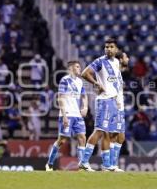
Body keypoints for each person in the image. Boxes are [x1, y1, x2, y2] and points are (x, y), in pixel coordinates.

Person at [80, 38, 120, 171]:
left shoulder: (116, 62)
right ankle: (84, 161)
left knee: (108, 133)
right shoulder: (100, 61)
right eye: (106, 47)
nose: (108, 49)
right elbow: (85, 73)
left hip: (113, 101)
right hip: (104, 100)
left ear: (116, 49)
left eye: (111, 47)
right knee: (99, 130)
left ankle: (107, 164)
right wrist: (96, 83)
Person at [45, 61, 88, 171]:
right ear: (71, 68)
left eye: (79, 66)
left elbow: (84, 96)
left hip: (77, 115)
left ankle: (82, 165)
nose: (80, 68)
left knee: (82, 137)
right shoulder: (65, 80)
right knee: (62, 140)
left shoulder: (80, 82)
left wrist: (85, 107)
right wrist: (64, 115)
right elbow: (60, 97)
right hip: (67, 114)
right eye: (77, 67)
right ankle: (49, 163)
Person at [108, 50, 129, 172]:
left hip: (120, 108)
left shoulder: (119, 73)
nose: (128, 59)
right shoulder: (113, 72)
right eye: (126, 57)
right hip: (114, 107)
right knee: (113, 135)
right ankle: (110, 164)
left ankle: (113, 164)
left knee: (121, 137)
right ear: (120, 59)